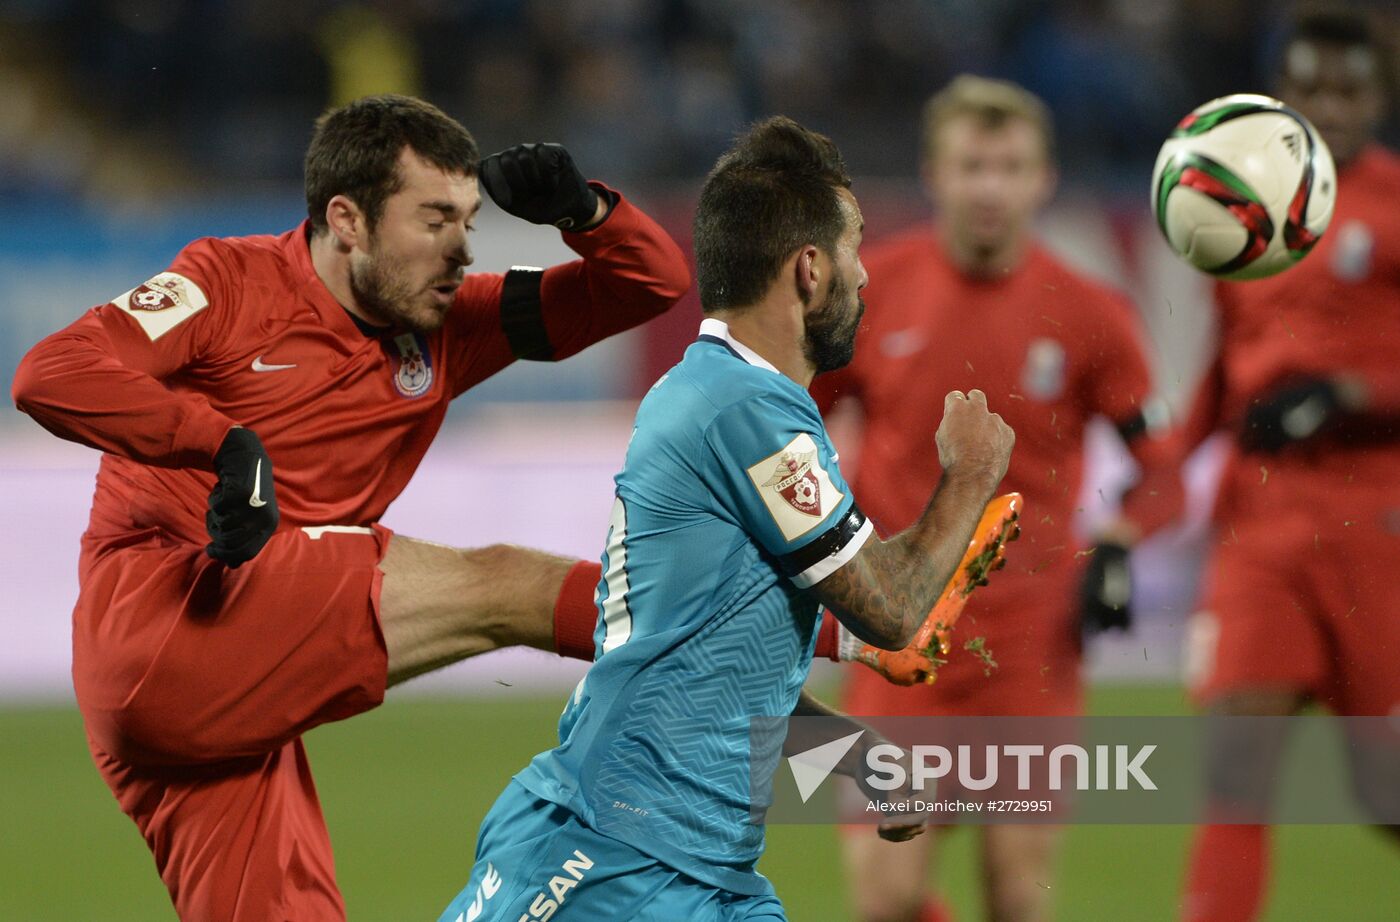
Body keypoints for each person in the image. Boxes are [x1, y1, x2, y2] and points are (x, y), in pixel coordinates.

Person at [10, 94, 693, 921]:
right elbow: (51, 374)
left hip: (231, 690)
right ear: (349, 220)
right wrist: (220, 443)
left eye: (469, 219)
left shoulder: (451, 324)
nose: (461, 250)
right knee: (510, 586)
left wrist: (585, 212)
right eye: (434, 219)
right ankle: (835, 722)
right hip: (165, 619)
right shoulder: (226, 282)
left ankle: (882, 778)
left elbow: (653, 283)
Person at [437, 116, 1016, 922]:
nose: (866, 277)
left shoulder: (733, 399)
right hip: (609, 861)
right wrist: (973, 474)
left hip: (706, 874)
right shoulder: (744, 413)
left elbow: (719, 672)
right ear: (809, 270)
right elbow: (888, 608)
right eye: (852, 250)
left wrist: (860, 758)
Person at [812, 76, 1182, 922]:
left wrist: (1121, 540)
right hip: (898, 637)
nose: (990, 186)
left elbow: (1161, 469)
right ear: (934, 174)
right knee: (884, 900)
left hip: (1030, 647)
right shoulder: (870, 294)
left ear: (1042, 179)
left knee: (1018, 900)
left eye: (1009, 166)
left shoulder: (1092, 312)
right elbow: (794, 426)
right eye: (972, 164)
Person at [1179, 10, 1400, 921]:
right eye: (1308, 89)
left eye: (1346, 90)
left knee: (1387, 795)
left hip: (1375, 522)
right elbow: (1226, 369)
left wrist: (1350, 392)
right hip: (1260, 521)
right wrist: (1157, 460)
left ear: (1377, 99)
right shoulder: (1243, 210)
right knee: (1235, 768)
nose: (1328, 107)